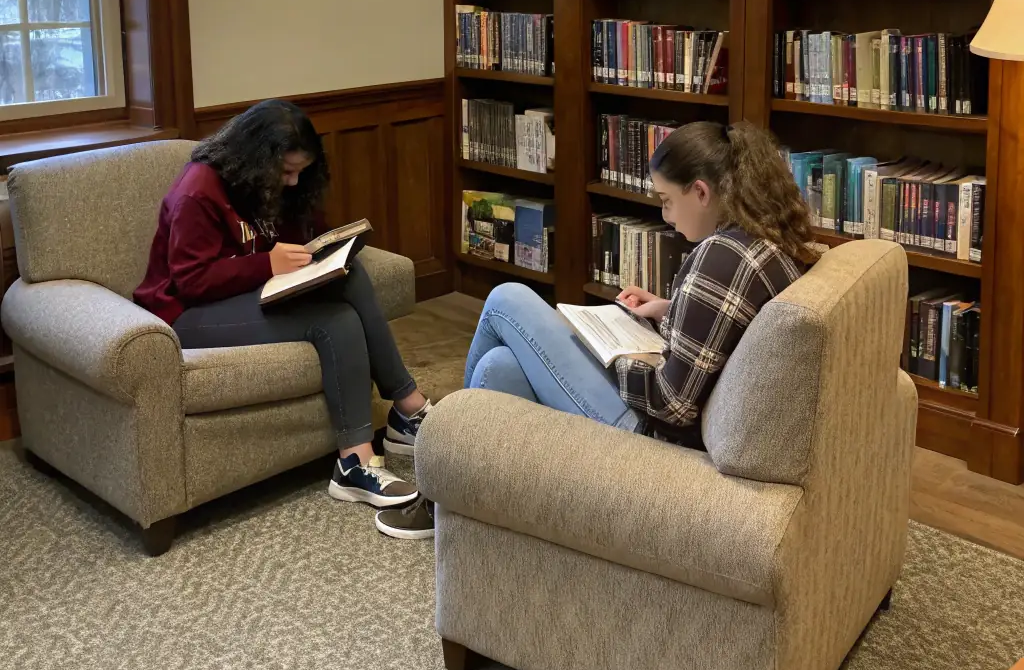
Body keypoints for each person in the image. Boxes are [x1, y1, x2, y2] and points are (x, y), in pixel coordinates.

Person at [134, 99, 434, 538]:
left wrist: (321, 256)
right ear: (255, 160)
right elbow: (191, 281)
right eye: (287, 171)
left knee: (349, 283)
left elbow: (293, 242)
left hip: (245, 294)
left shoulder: (275, 187)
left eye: (300, 172)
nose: (293, 181)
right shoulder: (198, 190)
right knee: (332, 323)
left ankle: (391, 424)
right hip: (185, 314)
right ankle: (368, 450)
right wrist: (268, 265)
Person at [464, 120, 820, 453]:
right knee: (500, 367)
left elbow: (673, 406)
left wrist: (615, 356)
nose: (666, 216)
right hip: (672, 423)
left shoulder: (722, 256)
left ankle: (438, 442)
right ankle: (468, 477)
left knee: (505, 299)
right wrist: (673, 308)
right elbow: (729, 328)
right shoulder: (766, 242)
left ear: (700, 192)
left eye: (667, 201)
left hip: (654, 434)